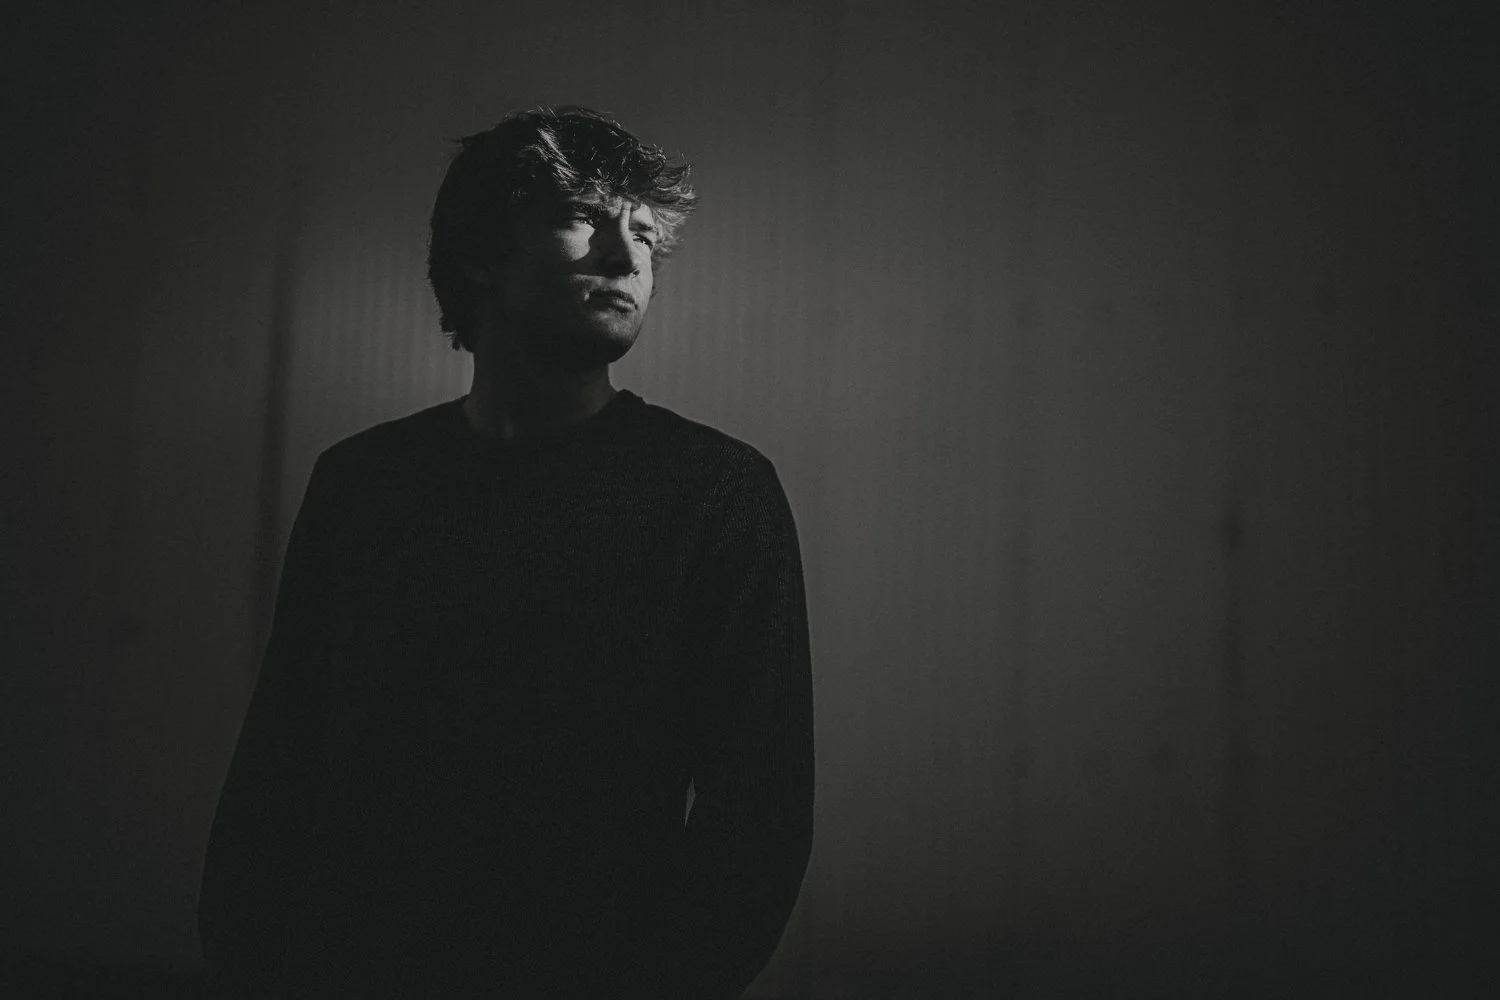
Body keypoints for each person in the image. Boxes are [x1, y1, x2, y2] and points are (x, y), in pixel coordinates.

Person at [199, 105, 814, 999]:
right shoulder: (362, 483)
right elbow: (283, 753)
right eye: (585, 218)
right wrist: (245, 960)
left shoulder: (715, 494)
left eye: (643, 233)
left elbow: (758, 813)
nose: (626, 255)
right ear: (482, 254)